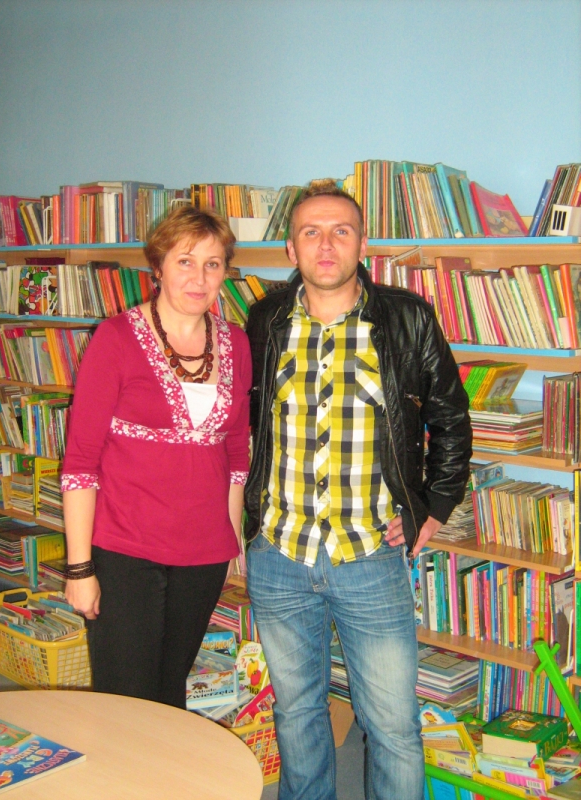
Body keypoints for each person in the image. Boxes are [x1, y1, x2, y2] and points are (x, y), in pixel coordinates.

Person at [244, 182, 472, 800]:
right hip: (279, 553)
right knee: (296, 715)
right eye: (311, 232)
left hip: (370, 554)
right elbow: (247, 421)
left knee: (393, 727)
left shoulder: (406, 317)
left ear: (362, 243)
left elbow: (451, 419)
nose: (326, 244)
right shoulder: (265, 320)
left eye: (340, 231)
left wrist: (433, 507)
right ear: (291, 248)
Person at [62, 205, 251, 708]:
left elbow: (236, 453)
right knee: (126, 699)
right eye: (185, 261)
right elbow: (80, 463)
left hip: (203, 554)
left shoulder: (236, 343)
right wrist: (79, 569)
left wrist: (230, 540)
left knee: (170, 694)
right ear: (158, 267)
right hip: (125, 550)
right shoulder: (116, 338)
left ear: (225, 273)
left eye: (213, 264)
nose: (199, 277)